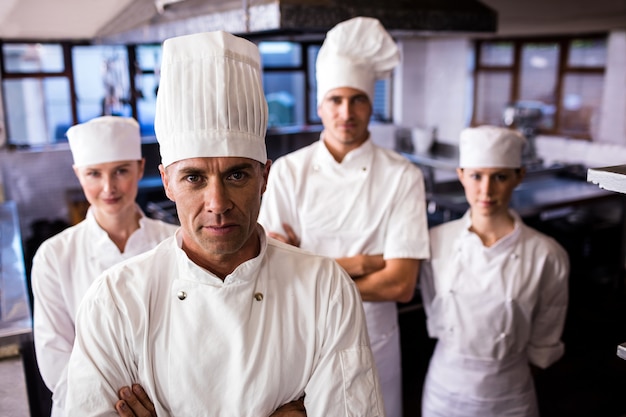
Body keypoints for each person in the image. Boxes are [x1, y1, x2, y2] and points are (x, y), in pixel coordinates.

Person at [64, 30, 383, 417]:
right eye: (194, 178)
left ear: (265, 177)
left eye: (236, 176)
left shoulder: (324, 288)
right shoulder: (116, 300)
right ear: (166, 181)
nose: (217, 204)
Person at [258, 16, 430, 417]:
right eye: (336, 99)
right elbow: (271, 272)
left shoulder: (402, 176)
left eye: (358, 99)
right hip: (302, 341)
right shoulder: (286, 172)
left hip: (373, 341)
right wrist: (359, 264)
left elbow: (401, 284)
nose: (346, 111)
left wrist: (310, 269)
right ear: (320, 106)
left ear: (373, 104)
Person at [31, 116, 178, 416]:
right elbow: (56, 359)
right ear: (78, 175)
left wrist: (158, 403)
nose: (108, 187)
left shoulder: (174, 242)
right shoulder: (54, 256)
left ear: (139, 168)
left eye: (121, 171)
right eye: (94, 174)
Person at [419, 125, 570, 417]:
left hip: (509, 395)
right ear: (461, 175)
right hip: (444, 390)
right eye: (476, 176)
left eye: (499, 177)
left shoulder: (547, 255)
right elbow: (434, 311)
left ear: (519, 176)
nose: (486, 190)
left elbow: (545, 336)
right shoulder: (436, 242)